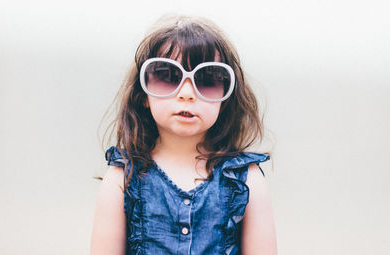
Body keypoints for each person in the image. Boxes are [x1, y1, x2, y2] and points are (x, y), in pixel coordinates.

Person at [90, 15, 277, 255]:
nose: (187, 93)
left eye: (207, 79)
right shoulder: (121, 179)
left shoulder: (246, 181)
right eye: (167, 76)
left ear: (226, 98)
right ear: (142, 95)